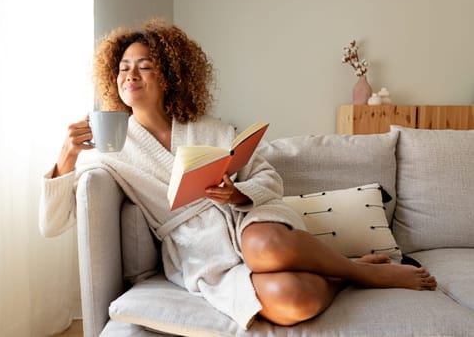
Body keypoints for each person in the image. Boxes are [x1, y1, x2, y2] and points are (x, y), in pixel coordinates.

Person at [39, 18, 436, 329]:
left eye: (144, 66)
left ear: (170, 76)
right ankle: (354, 271)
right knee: (292, 300)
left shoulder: (209, 127)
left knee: (265, 248)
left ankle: (363, 274)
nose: (130, 75)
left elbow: (268, 177)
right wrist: (67, 154)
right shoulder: (112, 149)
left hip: (250, 219)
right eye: (124, 67)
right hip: (199, 247)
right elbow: (52, 224)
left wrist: (239, 194)